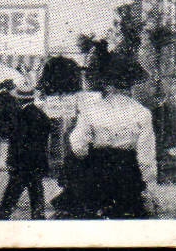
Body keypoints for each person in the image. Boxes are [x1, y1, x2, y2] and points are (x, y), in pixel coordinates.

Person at [64, 55, 156, 219]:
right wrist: (147, 182)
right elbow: (145, 155)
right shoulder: (142, 113)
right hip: (127, 172)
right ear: (131, 84)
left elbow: (77, 142)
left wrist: (85, 155)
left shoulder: (91, 110)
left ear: (107, 84)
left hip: (96, 171)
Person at [0, 81, 54, 219]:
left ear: (19, 99)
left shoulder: (21, 116)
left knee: (13, 190)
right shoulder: (41, 115)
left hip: (22, 161)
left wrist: (12, 160)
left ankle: (2, 217)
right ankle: (38, 216)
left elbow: (19, 141)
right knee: (36, 190)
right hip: (37, 161)